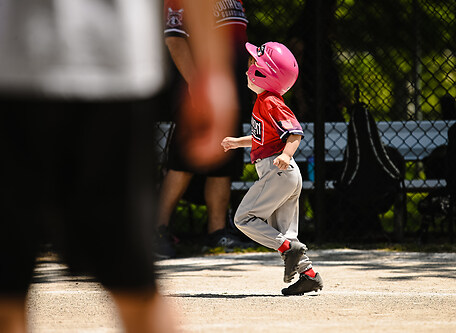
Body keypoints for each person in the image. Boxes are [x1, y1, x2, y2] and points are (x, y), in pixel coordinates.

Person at [0, 0, 240, 331]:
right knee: (5, 289)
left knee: (134, 285)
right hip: (17, 66)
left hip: (112, 67)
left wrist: (212, 72)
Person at [221, 41, 324, 296]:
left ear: (266, 75)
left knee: (243, 218)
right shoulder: (263, 102)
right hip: (283, 175)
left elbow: (294, 132)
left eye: (253, 65)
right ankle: (309, 275)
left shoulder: (270, 102)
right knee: (285, 233)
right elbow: (264, 138)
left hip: (278, 171)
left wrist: (287, 156)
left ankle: (288, 248)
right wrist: (238, 142)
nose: (248, 70)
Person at [155, 0, 254, 258]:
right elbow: (174, 39)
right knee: (182, 162)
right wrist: (196, 83)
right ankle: (157, 230)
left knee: (224, 158)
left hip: (228, 91)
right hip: (199, 92)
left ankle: (216, 232)